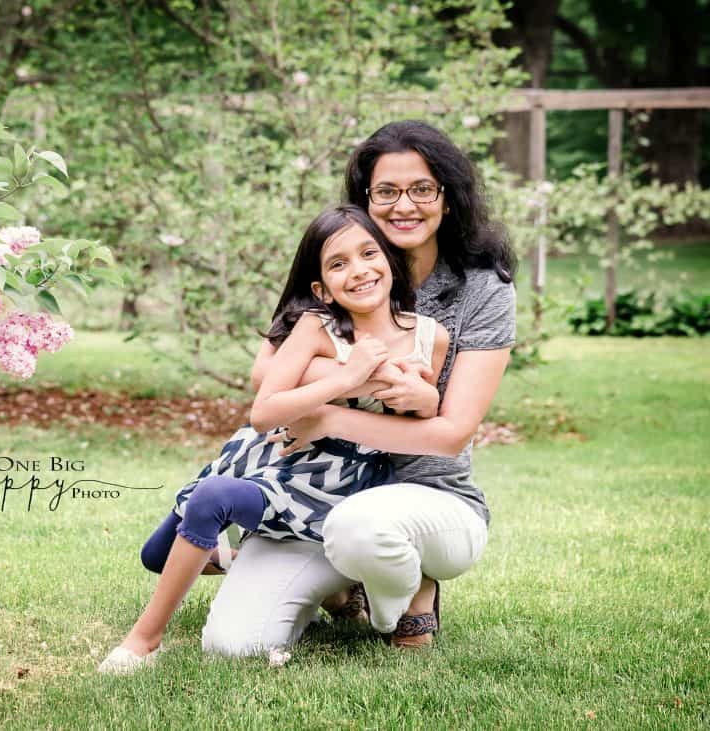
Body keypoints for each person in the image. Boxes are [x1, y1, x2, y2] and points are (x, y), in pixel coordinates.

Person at [201, 120, 517, 653]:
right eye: (386, 191)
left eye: (422, 189)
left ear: (448, 197)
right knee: (234, 645)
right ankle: (343, 588)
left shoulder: (483, 289)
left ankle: (414, 591)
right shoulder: (343, 262)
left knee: (361, 527)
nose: (404, 206)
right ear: (365, 199)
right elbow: (265, 376)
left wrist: (327, 413)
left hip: (428, 494)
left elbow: (449, 433)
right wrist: (370, 378)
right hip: (320, 489)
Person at [98, 204, 449, 674]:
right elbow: (264, 412)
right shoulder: (314, 326)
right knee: (157, 556)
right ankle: (306, 581)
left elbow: (427, 417)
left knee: (212, 500)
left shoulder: (430, 336)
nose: (359, 270)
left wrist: (423, 395)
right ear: (321, 287)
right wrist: (350, 376)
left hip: (340, 480)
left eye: (369, 253)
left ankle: (143, 640)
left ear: (389, 257)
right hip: (273, 455)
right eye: (338, 263)